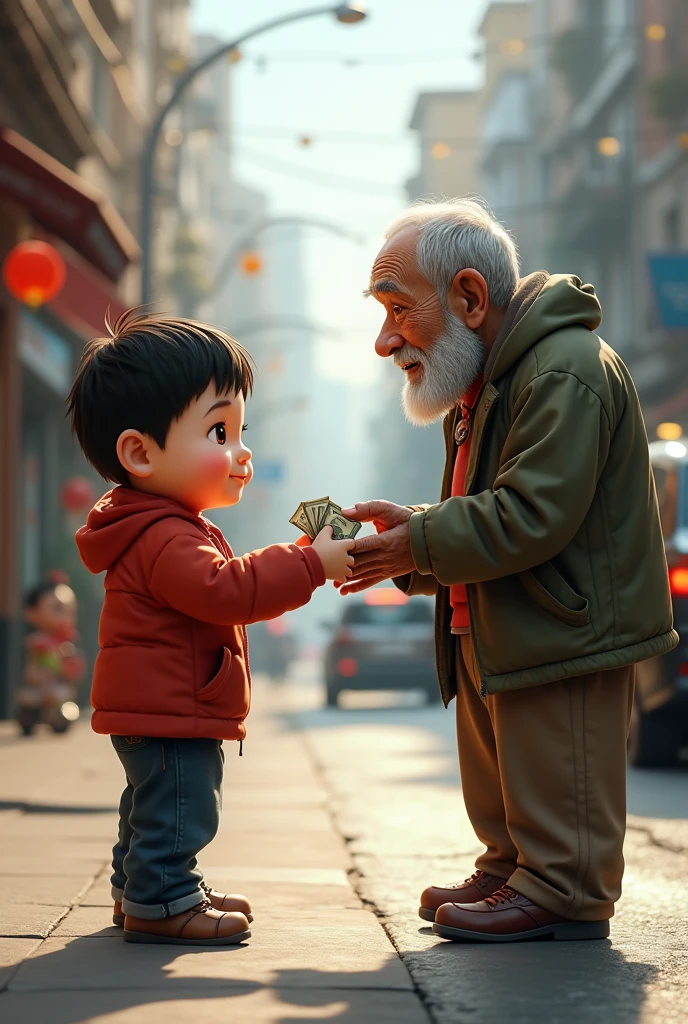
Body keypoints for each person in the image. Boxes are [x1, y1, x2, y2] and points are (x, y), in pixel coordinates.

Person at [341, 198, 676, 944]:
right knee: (504, 764)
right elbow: (482, 511)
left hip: (563, 630)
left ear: (469, 296)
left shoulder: (563, 370)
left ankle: (560, 885)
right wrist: (412, 545)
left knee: (558, 763)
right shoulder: (487, 379)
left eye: (398, 309)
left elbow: (532, 514)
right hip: (503, 626)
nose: (384, 340)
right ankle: (513, 866)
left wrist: (418, 541)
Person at [69, 310, 354, 946]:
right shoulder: (166, 534)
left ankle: (140, 887)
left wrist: (303, 555)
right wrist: (310, 562)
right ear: (140, 452)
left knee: (151, 803)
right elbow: (229, 591)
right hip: (170, 706)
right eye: (219, 430)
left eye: (240, 429)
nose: (241, 451)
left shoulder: (159, 523)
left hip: (156, 703)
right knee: (183, 804)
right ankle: (163, 899)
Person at [17, 574, 84, 736]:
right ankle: (30, 719)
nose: (66, 616)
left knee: (60, 695)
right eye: (57, 608)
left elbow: (75, 668)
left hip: (57, 683)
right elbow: (32, 663)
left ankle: (59, 720)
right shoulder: (37, 642)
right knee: (28, 697)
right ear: (32, 612)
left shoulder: (67, 642)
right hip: (39, 682)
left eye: (71, 611)